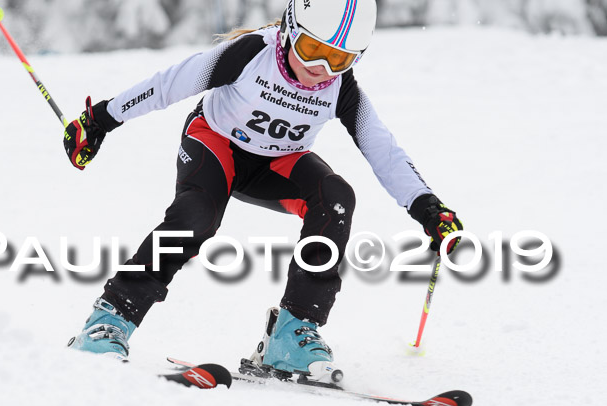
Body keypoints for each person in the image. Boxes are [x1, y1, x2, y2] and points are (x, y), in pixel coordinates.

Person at [64, 0, 462, 383]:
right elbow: (169, 84)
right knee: (196, 217)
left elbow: (383, 150)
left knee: (335, 198)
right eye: (310, 50)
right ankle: (108, 320)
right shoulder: (252, 54)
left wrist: (428, 208)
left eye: (338, 59)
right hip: (215, 146)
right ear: (290, 29)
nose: (319, 69)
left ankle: (291, 333)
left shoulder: (341, 89)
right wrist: (100, 120)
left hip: (277, 163)